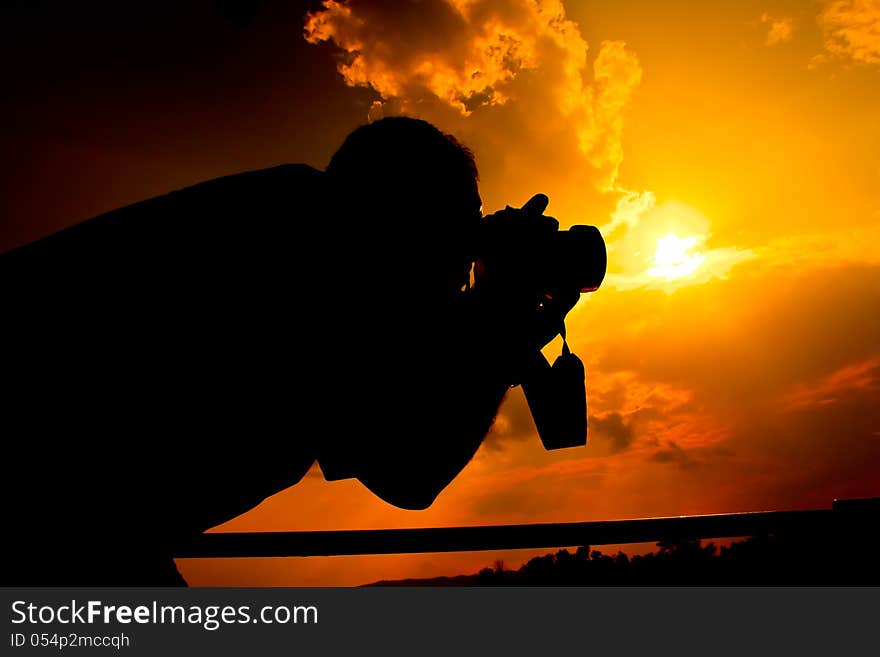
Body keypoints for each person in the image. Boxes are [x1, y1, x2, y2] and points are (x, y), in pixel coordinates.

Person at [1, 117, 578, 585]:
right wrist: (499, 324)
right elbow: (410, 476)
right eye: (461, 228)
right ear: (402, 216)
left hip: (82, 529)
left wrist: (493, 327)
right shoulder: (317, 260)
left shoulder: (295, 218)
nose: (463, 264)